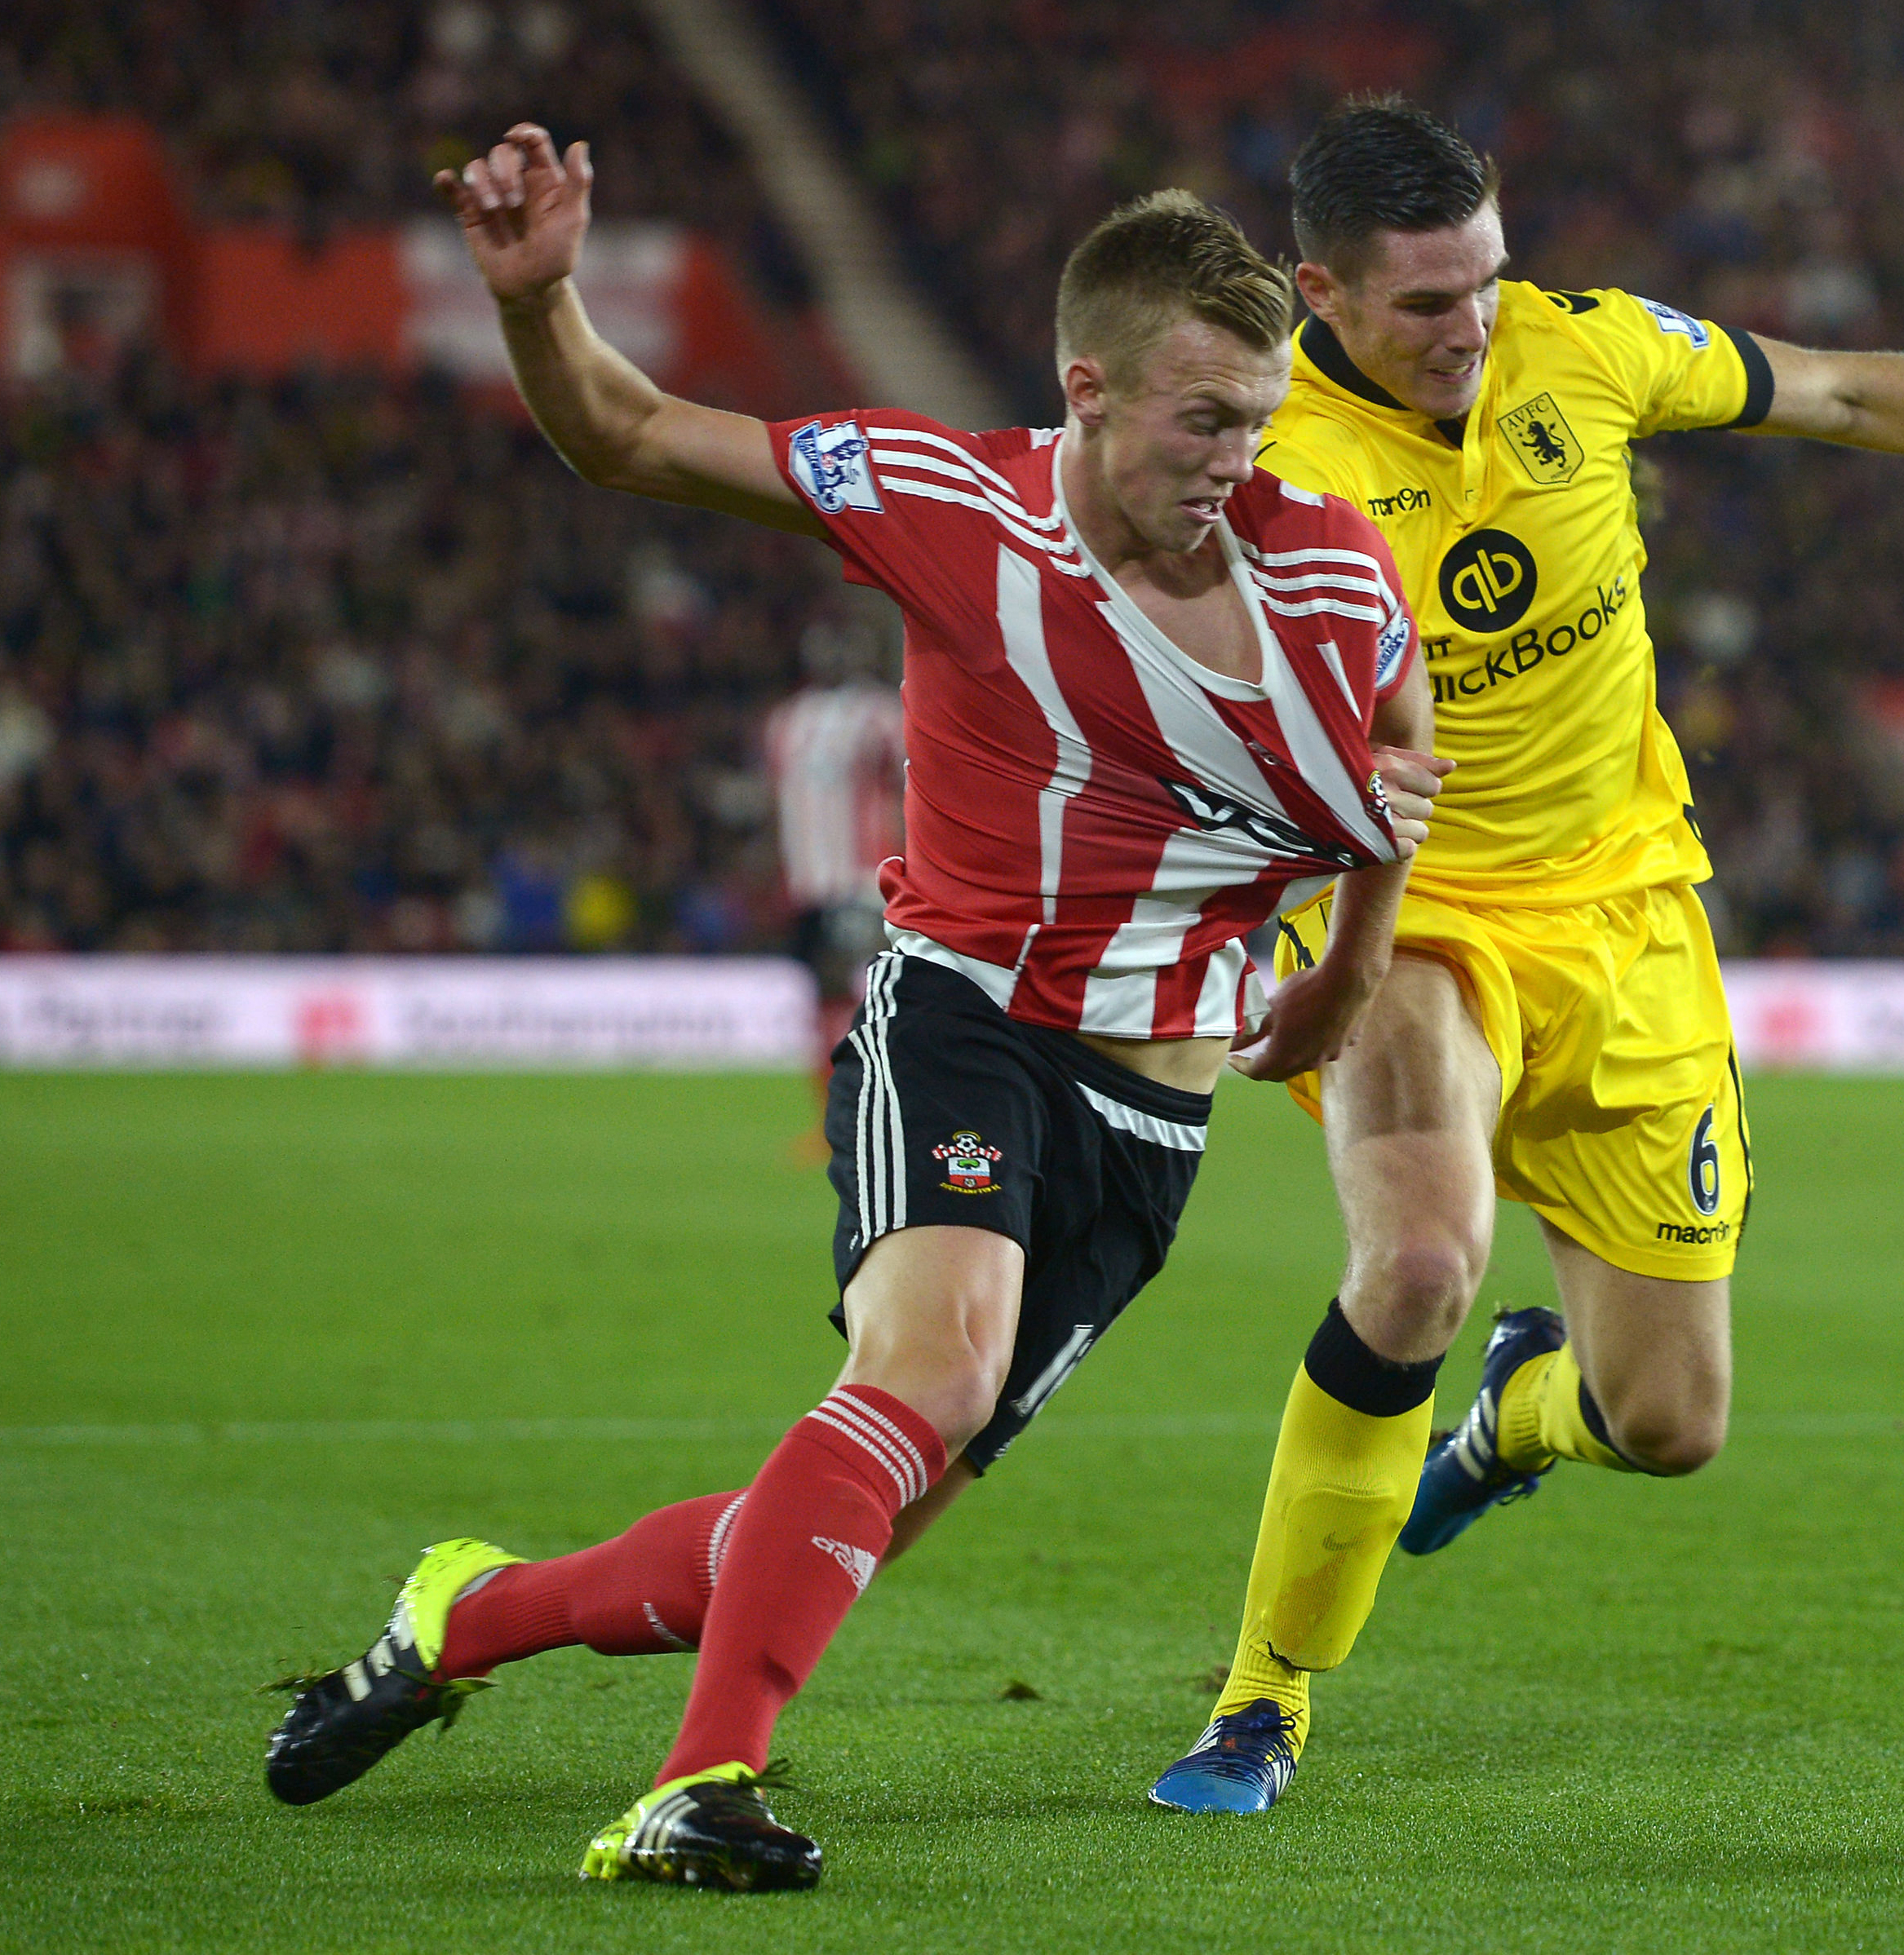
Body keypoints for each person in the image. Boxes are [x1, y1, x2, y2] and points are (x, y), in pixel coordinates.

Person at [263, 125, 1442, 1891]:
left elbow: (1401, 762)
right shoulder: (944, 503)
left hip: (1155, 1120)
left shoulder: (1333, 566)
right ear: (1088, 389)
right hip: (968, 1020)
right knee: (932, 1369)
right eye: (1203, 418)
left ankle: (467, 1612)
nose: (1236, 458)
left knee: (814, 1529)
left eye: (1260, 419)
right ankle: (696, 1786)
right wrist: (540, 299)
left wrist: (1348, 967)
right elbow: (631, 432)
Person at [1150, 98, 1904, 1815]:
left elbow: (1847, 388)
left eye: (1484, 279)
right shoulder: (1254, 447)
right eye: (1423, 303)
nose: (1470, 323)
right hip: (1411, 918)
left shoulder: (1591, 349)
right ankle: (1259, 1704)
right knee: (1416, 1261)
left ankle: (1501, 1429)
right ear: (1315, 289)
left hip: (1630, 919)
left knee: (1666, 1420)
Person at [766, 592, 905, 1080]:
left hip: (862, 878)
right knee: (821, 995)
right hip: (808, 884)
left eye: (843, 648)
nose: (834, 658)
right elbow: (782, 804)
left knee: (865, 994)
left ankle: (870, 1101)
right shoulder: (785, 721)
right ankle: (828, 1113)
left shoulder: (884, 715)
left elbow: (913, 787)